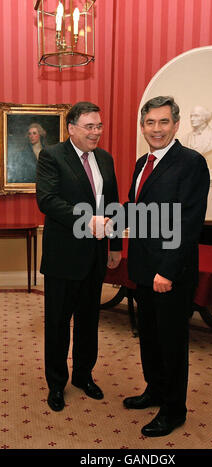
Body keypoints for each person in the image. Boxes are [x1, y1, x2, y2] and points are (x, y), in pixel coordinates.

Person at [123, 96, 210, 437]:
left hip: (170, 272)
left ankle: (174, 409)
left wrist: (168, 271)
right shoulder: (142, 162)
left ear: (176, 125)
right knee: (150, 337)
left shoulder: (191, 162)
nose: (155, 129)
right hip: (144, 268)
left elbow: (188, 222)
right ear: (143, 127)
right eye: (149, 123)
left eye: (163, 122)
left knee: (171, 341)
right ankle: (155, 390)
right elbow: (139, 211)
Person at [36, 101, 122, 412]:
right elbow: (47, 200)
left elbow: (111, 203)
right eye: (90, 126)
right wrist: (87, 219)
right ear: (71, 128)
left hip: (96, 256)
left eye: (99, 125)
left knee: (89, 321)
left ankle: (83, 376)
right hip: (63, 257)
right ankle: (56, 384)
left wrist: (115, 246)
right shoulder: (52, 155)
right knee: (58, 324)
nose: (96, 132)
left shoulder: (105, 158)